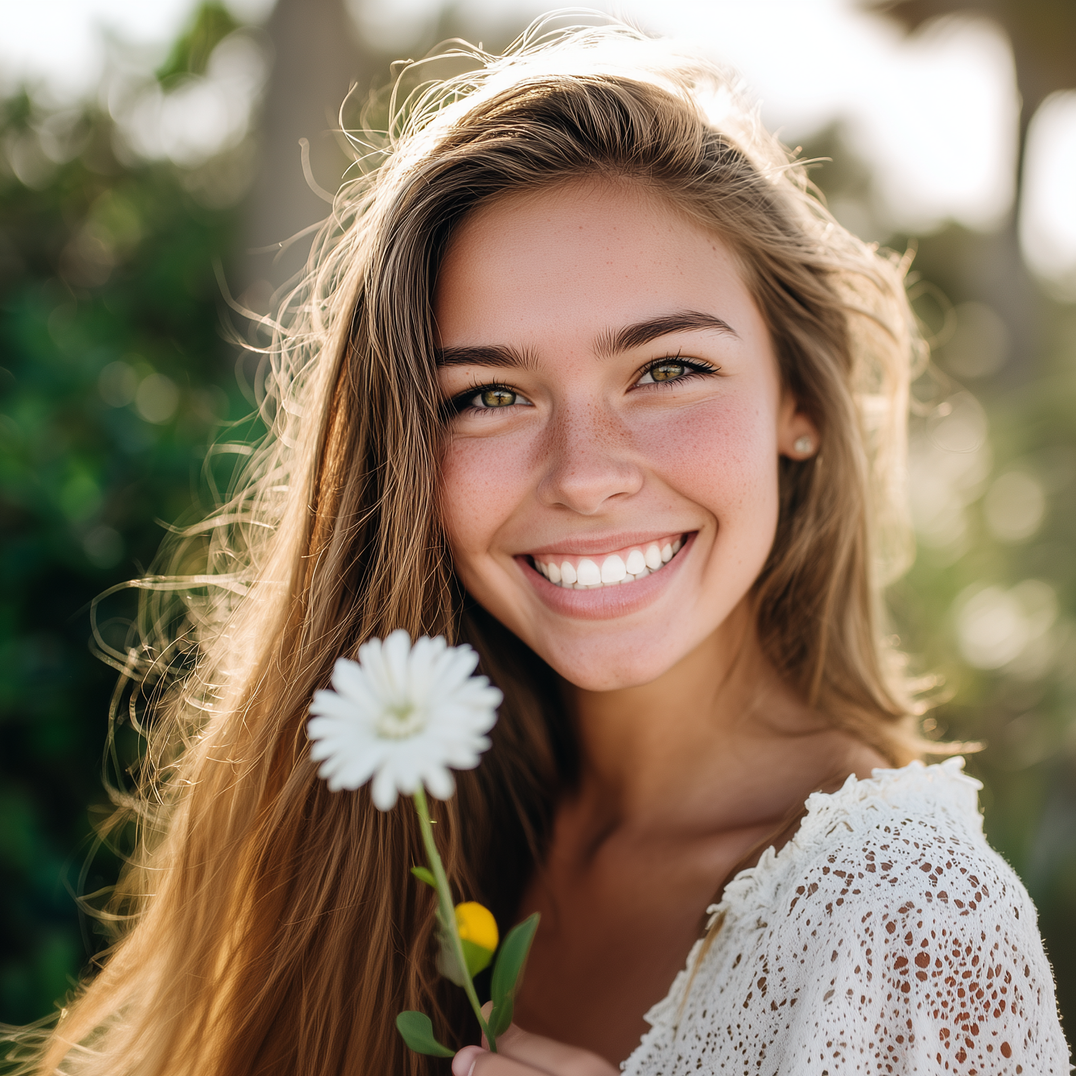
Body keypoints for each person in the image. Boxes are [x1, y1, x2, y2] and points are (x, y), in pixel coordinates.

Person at [23, 19, 1069, 1076]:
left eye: (664, 369)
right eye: (487, 394)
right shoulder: (393, 842)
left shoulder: (908, 919)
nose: (581, 471)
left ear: (797, 399)